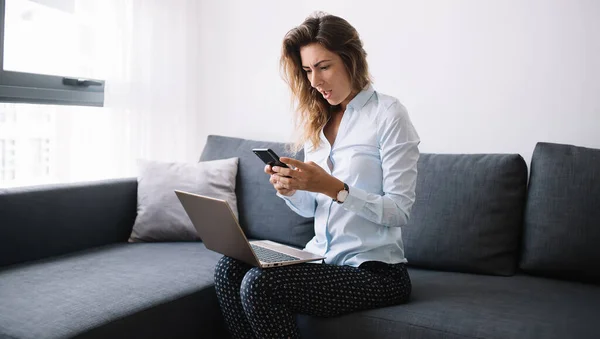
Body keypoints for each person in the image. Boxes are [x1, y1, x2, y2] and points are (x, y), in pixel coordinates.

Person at [213, 12, 420, 339]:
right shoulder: (318, 123)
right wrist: (293, 190)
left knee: (260, 284)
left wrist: (334, 188)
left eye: (324, 67)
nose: (315, 81)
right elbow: (312, 209)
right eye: (308, 70)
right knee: (230, 268)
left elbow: (399, 211)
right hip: (320, 260)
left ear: (352, 60)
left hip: (376, 273)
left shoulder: (389, 114)